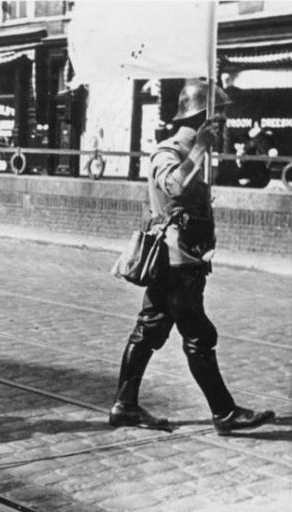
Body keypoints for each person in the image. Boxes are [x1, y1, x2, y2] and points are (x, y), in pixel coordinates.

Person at [108, 80, 275, 435]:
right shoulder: (169, 151)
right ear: (201, 116)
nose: (225, 120)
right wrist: (200, 147)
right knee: (199, 336)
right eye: (219, 113)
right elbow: (175, 187)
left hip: (186, 258)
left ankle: (125, 405)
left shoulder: (197, 151)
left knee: (150, 329)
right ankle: (225, 412)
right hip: (174, 260)